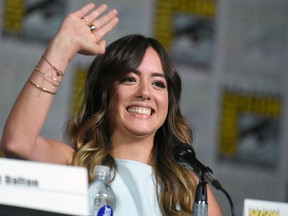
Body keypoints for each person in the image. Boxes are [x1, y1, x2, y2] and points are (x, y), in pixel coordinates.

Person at [1, 3, 222, 216]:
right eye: (129, 79)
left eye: (158, 84)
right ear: (105, 95)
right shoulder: (76, 166)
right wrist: (62, 47)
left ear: (169, 102)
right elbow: (18, 143)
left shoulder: (190, 187)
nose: (145, 92)